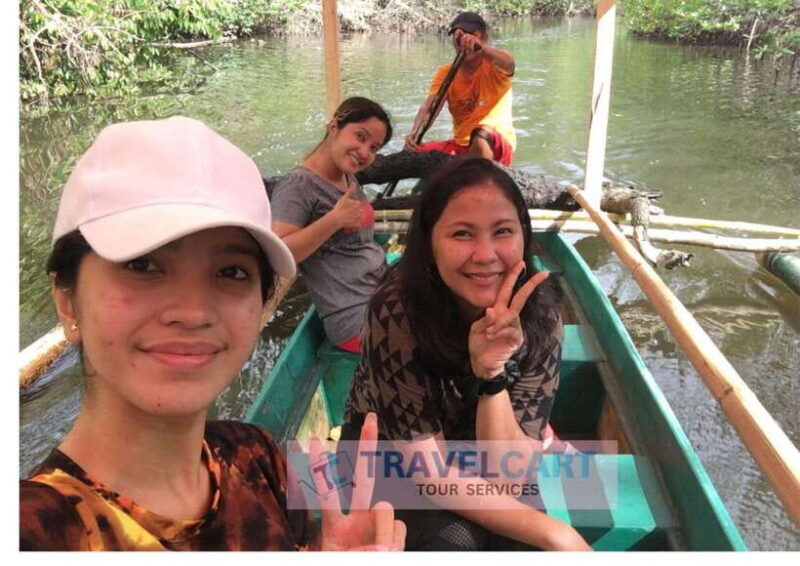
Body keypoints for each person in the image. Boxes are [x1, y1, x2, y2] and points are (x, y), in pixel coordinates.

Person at [19, 116, 405, 551]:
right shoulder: (37, 531)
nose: (193, 312)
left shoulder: (255, 456)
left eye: (231, 271)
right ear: (67, 299)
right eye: (142, 264)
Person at [342, 157, 591, 551]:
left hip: (481, 444)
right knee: (456, 544)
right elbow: (430, 472)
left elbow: (508, 474)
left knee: (523, 546)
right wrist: (559, 533)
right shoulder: (397, 310)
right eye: (462, 234)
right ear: (429, 242)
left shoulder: (541, 315)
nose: (485, 255)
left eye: (503, 231)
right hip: (391, 452)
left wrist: (491, 374)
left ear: (523, 235)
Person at [271, 97, 392, 353]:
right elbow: (280, 254)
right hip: (355, 317)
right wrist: (334, 220)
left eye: (374, 148)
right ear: (334, 126)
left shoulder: (346, 176)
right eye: (360, 137)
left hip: (380, 291)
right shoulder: (298, 186)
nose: (364, 152)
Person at [405, 12, 517, 166]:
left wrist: (481, 48)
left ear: (484, 37)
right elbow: (429, 107)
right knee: (413, 153)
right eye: (458, 36)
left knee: (480, 135)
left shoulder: (495, 62)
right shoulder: (446, 72)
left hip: (495, 143)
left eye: (470, 34)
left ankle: (467, 173)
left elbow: (509, 64)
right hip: (461, 146)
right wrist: (414, 134)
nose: (464, 41)